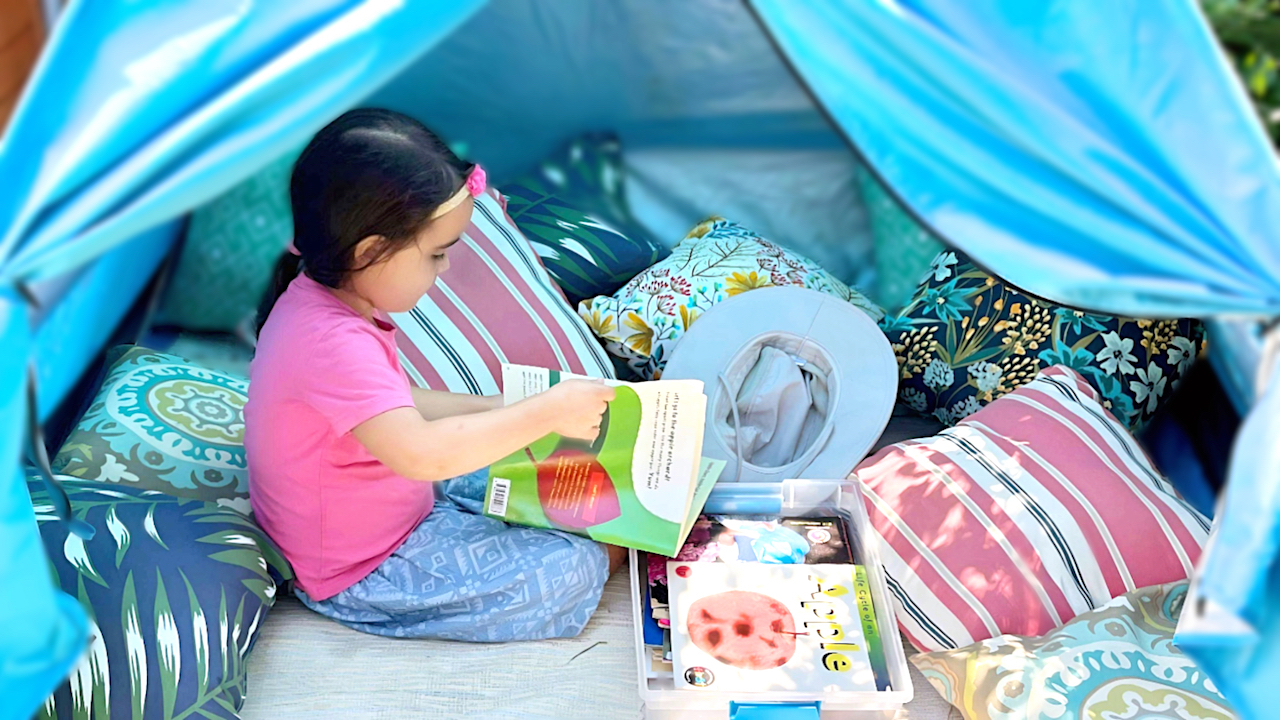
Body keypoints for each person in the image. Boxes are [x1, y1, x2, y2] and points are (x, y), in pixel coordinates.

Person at [245, 108, 624, 642]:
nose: (444, 269)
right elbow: (421, 453)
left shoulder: (324, 304)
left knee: (524, 459)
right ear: (370, 251)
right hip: (362, 566)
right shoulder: (329, 340)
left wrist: (500, 408)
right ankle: (607, 545)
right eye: (437, 253)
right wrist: (544, 412)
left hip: (403, 498)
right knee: (570, 568)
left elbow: (396, 403)